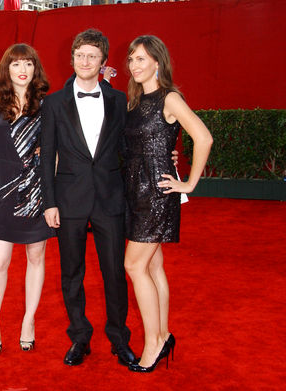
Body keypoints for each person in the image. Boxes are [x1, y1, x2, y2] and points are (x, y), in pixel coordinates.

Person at [40, 29, 136, 367]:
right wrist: (49, 202)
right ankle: (79, 336)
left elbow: (129, 149)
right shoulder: (53, 103)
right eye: (80, 55)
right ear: (72, 59)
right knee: (71, 273)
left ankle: (119, 338)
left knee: (114, 272)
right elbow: (46, 154)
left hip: (110, 197)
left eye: (92, 56)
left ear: (103, 62)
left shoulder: (118, 101)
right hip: (68, 200)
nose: (85, 61)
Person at [122, 35, 212, 372]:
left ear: (158, 62)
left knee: (133, 266)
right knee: (153, 266)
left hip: (156, 195)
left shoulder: (169, 98)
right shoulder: (135, 102)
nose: (134, 66)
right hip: (134, 191)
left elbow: (203, 137)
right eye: (131, 60)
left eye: (141, 59)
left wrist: (188, 182)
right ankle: (163, 334)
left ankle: (154, 343)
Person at [0, 43, 54, 355]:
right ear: (7, 69)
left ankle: (28, 320)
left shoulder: (46, 104)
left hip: (37, 191)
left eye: (28, 63)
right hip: (3, 189)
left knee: (36, 257)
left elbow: (57, 149)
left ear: (35, 68)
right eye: (16, 64)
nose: (22, 69)